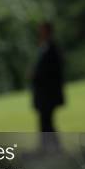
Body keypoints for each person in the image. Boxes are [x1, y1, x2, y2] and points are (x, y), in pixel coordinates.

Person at [31, 21, 65, 151]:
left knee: (46, 121)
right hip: (45, 93)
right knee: (46, 121)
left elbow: (51, 70)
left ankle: (48, 147)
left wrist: (36, 74)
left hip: (48, 93)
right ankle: (52, 146)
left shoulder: (52, 48)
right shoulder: (45, 47)